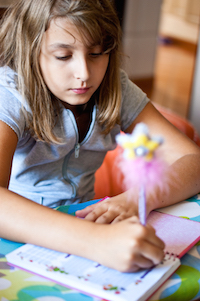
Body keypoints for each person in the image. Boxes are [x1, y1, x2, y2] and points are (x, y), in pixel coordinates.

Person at [0, 0, 199, 273]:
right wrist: (96, 241)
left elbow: (192, 159)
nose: (84, 74)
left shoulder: (115, 86)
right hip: (23, 235)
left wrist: (137, 197)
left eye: (96, 53)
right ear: (30, 50)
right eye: (63, 56)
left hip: (91, 223)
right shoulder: (10, 94)